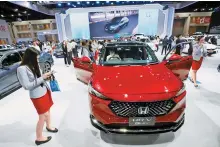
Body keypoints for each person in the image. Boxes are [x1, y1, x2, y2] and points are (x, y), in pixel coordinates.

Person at [16, 47, 58, 145]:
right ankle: (39, 138)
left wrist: (47, 75)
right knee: (42, 116)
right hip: (37, 96)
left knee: (48, 110)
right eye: (36, 58)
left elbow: (38, 77)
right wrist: (42, 78)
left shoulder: (34, 64)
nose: (38, 59)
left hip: (44, 91)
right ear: (30, 57)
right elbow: (27, 86)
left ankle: (49, 126)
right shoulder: (21, 69)